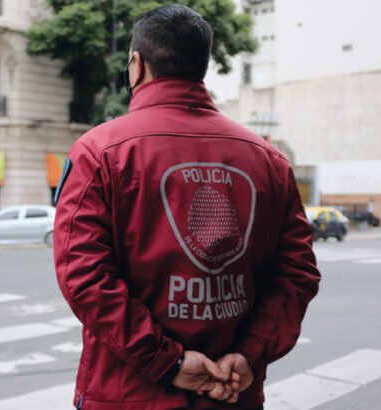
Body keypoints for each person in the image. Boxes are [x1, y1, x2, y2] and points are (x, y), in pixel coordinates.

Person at [53, 4, 321, 410]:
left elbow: (84, 275)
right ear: (202, 67)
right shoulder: (269, 160)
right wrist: (248, 354)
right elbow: (296, 272)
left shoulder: (101, 151)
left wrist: (167, 361)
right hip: (233, 391)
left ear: (136, 66)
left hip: (128, 395)